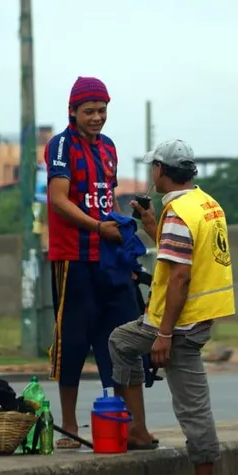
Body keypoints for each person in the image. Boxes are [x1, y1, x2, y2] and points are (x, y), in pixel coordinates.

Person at [109, 139, 234, 475]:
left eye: (153, 168)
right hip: (197, 316)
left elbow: (179, 275)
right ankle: (137, 431)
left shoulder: (179, 213)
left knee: (193, 408)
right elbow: (173, 249)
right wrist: (150, 222)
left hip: (180, 323)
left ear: (160, 170)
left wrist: (163, 335)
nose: (152, 174)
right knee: (122, 342)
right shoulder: (205, 204)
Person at [44, 76, 141, 449]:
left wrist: (122, 236)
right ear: (73, 111)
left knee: (116, 337)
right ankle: (69, 424)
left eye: (102, 111)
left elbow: (107, 200)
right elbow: (58, 199)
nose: (97, 118)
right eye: (89, 111)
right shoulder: (60, 146)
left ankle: (116, 416)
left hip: (109, 256)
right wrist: (100, 228)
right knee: (73, 339)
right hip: (73, 256)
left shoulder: (109, 148)